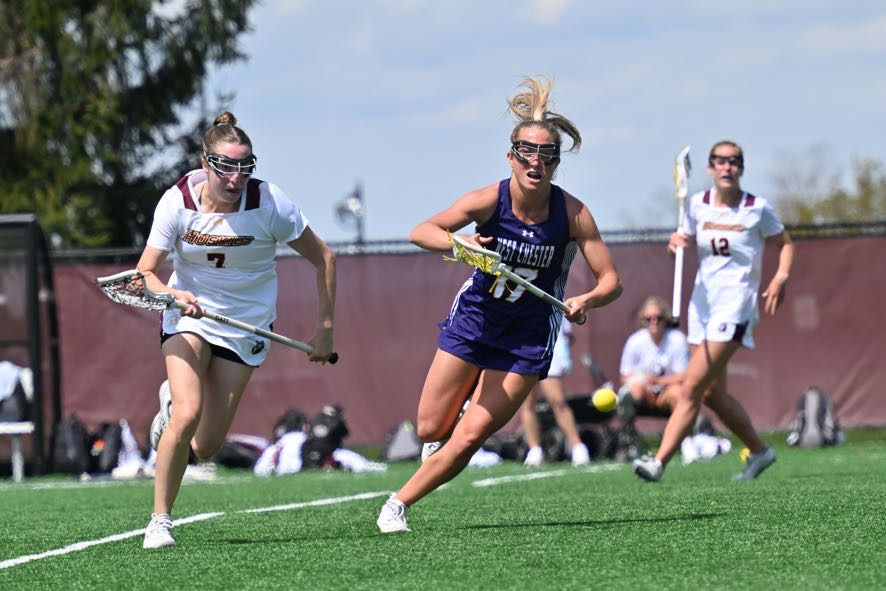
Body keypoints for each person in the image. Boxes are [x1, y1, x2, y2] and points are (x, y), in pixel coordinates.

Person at [376, 76, 622, 533]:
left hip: (526, 339)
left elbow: (612, 281)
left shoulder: (573, 214)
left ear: (555, 162)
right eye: (527, 151)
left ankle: (396, 505)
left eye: (547, 154)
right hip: (475, 320)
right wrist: (461, 245)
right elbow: (421, 231)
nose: (537, 161)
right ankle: (451, 430)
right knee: (430, 428)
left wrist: (586, 299)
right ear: (511, 155)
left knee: (471, 435)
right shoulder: (490, 199)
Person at [136, 111, 337, 548]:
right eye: (226, 166)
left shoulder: (270, 204)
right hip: (187, 315)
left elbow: (325, 258)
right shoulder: (177, 201)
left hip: (244, 324)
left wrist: (324, 330)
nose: (236, 177)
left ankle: (168, 412)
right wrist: (174, 297)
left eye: (245, 166)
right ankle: (160, 521)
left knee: (207, 446)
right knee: (188, 413)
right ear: (206, 163)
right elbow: (145, 275)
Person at [633, 139, 794, 483]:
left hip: (736, 307)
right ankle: (761, 452)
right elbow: (683, 241)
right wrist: (675, 244)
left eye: (734, 161)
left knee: (691, 386)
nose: (726, 167)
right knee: (711, 394)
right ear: (709, 168)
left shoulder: (757, 208)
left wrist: (781, 276)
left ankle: (658, 461)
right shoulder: (696, 205)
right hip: (701, 306)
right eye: (719, 161)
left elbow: (785, 245)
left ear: (741, 168)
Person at [519, 319, 592, 467]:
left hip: (550, 352)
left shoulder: (555, 297)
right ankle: (534, 450)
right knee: (527, 404)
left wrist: (564, 354)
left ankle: (577, 447)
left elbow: (566, 333)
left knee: (558, 401)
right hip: (524, 349)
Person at [617, 296, 689, 421]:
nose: (654, 321)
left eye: (658, 318)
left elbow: (683, 376)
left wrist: (657, 381)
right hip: (644, 392)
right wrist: (642, 383)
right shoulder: (635, 341)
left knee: (677, 393)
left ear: (665, 318)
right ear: (643, 320)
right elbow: (625, 375)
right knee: (631, 390)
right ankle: (627, 435)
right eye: (649, 318)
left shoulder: (677, 340)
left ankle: (684, 436)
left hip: (668, 390)